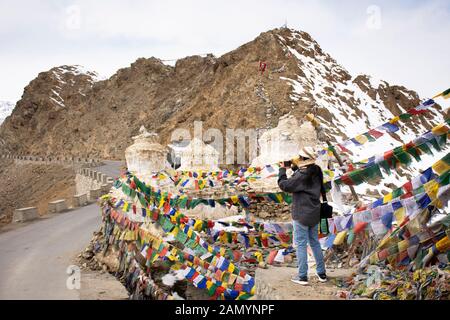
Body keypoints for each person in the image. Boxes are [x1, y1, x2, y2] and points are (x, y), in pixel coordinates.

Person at [278, 146, 327, 285]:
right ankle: (321, 273)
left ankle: (302, 276)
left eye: (300, 158)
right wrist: (293, 167)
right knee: (315, 243)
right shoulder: (316, 171)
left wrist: (282, 170)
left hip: (301, 214)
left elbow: (285, 185)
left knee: (300, 244)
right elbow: (301, 174)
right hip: (314, 213)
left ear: (303, 160)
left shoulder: (302, 175)